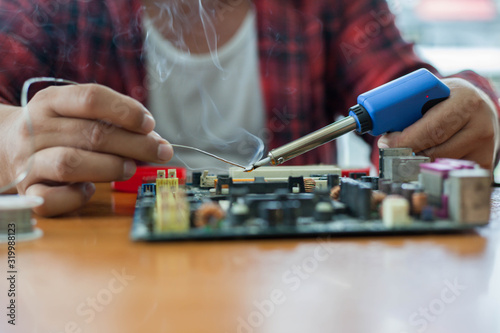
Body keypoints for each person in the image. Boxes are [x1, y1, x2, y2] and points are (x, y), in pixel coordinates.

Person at [0, 0, 498, 217]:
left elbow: (417, 93)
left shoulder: (331, 6)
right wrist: (10, 141)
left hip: (297, 289)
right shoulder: (56, 7)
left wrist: (470, 103)